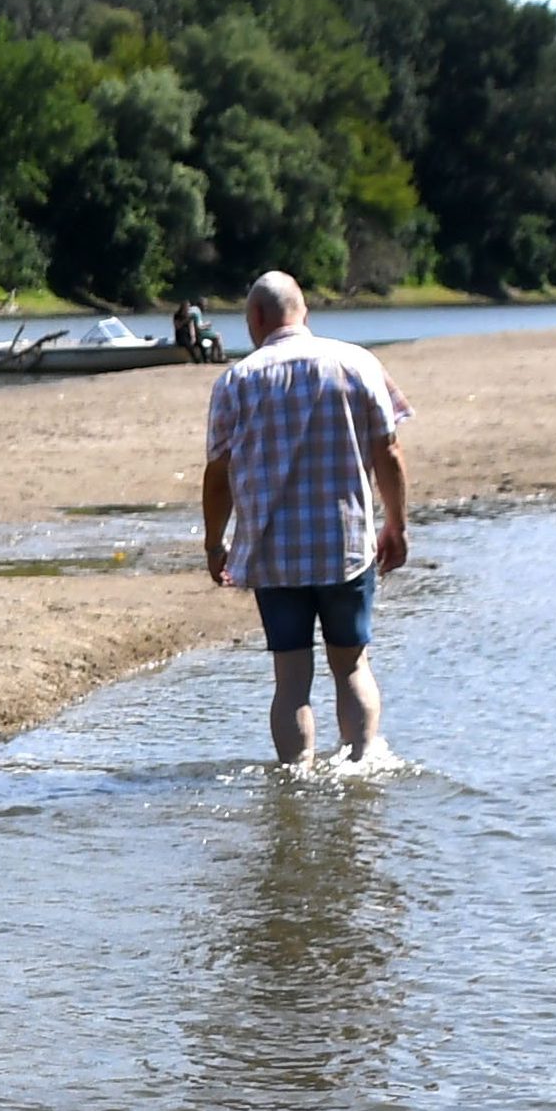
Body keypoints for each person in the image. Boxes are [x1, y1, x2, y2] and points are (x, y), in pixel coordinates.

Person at [196, 269, 410, 766]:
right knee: (351, 664)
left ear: (256, 317)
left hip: (274, 552)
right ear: (303, 311)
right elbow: (389, 451)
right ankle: (359, 765)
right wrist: (396, 524)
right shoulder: (357, 363)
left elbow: (218, 474)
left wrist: (214, 543)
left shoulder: (236, 380)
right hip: (345, 545)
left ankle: (298, 777)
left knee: (291, 679)